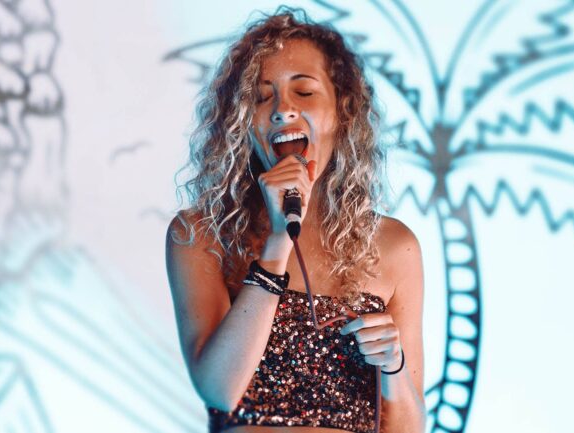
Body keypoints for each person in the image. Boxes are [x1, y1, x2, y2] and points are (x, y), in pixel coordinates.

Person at [166, 8, 426, 433]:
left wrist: (393, 368)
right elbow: (219, 389)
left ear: (343, 114)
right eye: (261, 96)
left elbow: (409, 429)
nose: (283, 110)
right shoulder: (199, 234)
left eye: (304, 93)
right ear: (240, 123)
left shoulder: (395, 246)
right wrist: (276, 242)